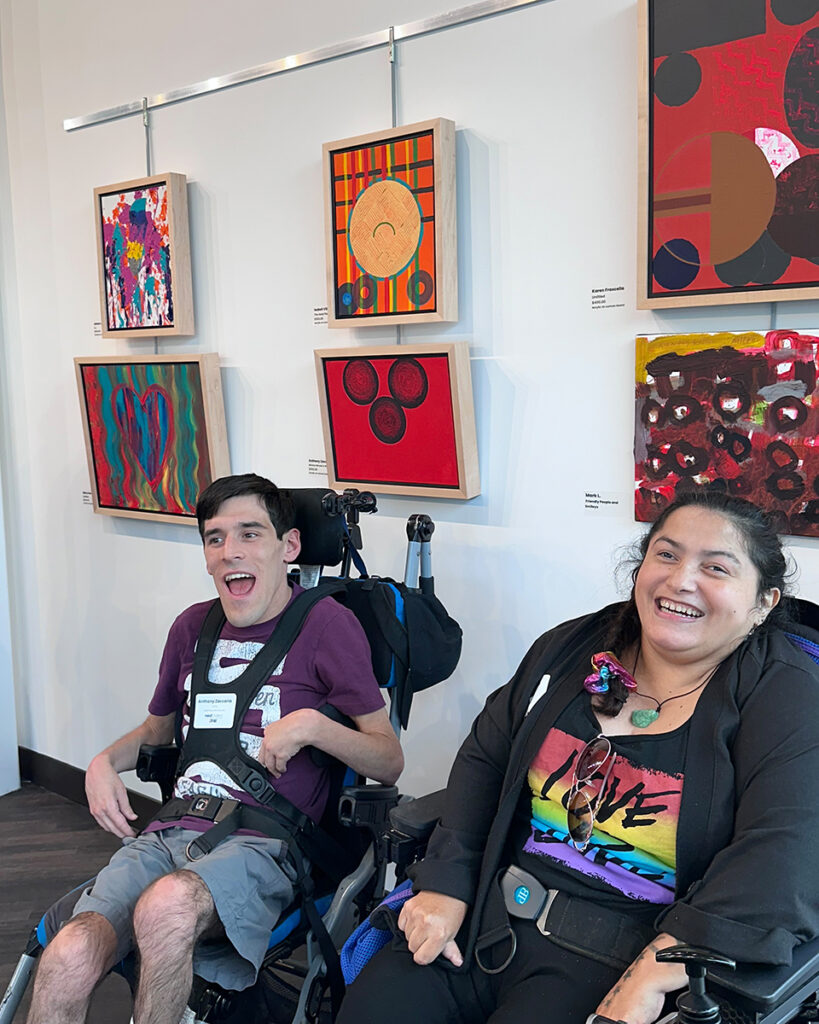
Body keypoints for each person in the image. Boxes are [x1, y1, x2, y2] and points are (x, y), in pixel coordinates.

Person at [339, 491, 819, 1024]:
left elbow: (786, 852)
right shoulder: (574, 648)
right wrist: (446, 882)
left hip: (617, 957)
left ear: (764, 602)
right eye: (666, 554)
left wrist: (654, 974)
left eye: (716, 567)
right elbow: (485, 758)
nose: (683, 580)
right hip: (485, 915)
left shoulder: (787, 697)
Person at [27, 473, 404, 1024]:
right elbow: (156, 733)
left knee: (166, 905)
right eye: (215, 538)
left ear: (289, 547)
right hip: (171, 833)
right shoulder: (191, 628)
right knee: (68, 951)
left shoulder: (327, 626)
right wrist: (103, 761)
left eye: (250, 534)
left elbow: (388, 757)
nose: (231, 553)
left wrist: (312, 728)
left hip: (268, 844)